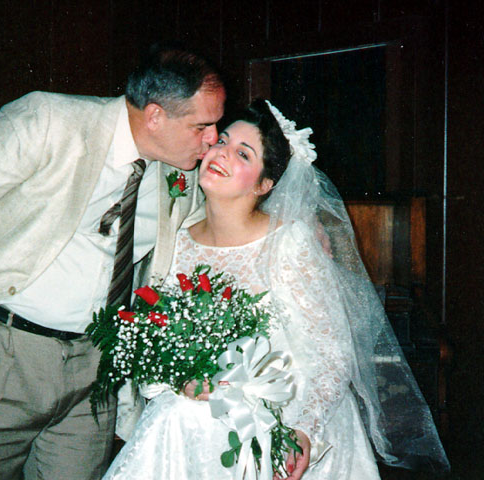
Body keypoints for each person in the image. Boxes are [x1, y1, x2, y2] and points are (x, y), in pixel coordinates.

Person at [0, 46, 226, 480]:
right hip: (1, 352)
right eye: (202, 126)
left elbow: (210, 235)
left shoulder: (179, 170)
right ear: (156, 116)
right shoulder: (51, 120)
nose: (213, 139)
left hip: (95, 369)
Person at [103, 99, 449, 479]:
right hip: (193, 414)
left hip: (282, 412)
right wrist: (180, 377)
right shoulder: (179, 240)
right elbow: (158, 333)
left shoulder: (289, 242)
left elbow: (332, 352)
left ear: (266, 184)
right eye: (222, 142)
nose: (221, 154)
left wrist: (303, 430)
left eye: (243, 154)